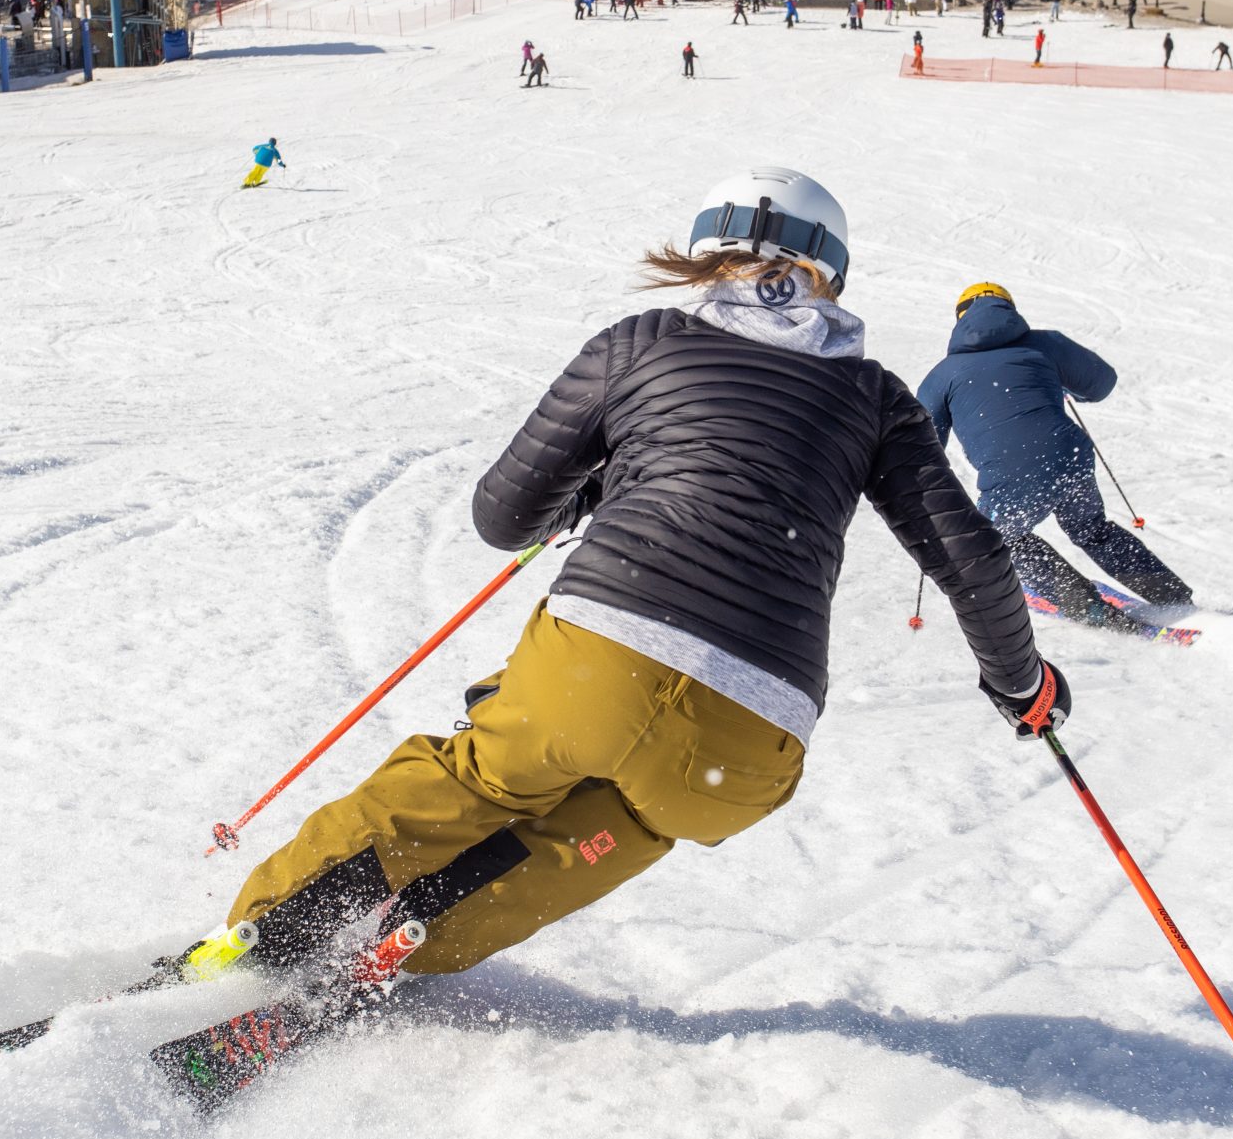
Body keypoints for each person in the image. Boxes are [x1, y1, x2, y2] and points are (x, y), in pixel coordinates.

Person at [174, 169, 1059, 989]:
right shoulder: (877, 396)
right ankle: (419, 936)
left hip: (601, 661)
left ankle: (269, 931)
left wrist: (592, 483)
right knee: (634, 818)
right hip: (750, 736)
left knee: (485, 774)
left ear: (708, 249)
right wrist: (1024, 685)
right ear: (831, 272)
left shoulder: (644, 340)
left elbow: (501, 516)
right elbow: (971, 560)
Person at [918, 282, 1193, 616]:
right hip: (1070, 456)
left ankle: (1087, 607)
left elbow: (922, 441)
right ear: (1010, 310)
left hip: (1012, 471)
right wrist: (1063, 382)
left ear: (960, 318)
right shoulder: (1045, 344)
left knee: (997, 540)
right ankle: (1174, 597)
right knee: (1092, 529)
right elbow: (1101, 383)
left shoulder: (943, 374)